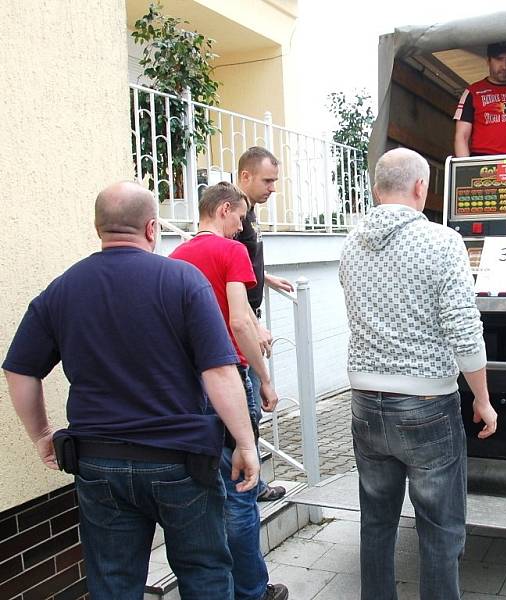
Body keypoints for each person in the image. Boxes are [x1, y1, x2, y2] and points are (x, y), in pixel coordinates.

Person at [2, 181, 260, 600]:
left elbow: (19, 371)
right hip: (181, 462)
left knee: (114, 583)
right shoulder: (184, 281)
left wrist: (41, 435)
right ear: (152, 227)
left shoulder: (63, 288)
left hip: (99, 463)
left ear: (98, 227)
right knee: (206, 574)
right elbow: (219, 372)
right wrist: (246, 443)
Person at [339, 147, 498, 600]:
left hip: (366, 403)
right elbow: (464, 331)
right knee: (441, 528)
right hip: (427, 405)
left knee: (376, 523)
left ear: (375, 189)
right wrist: (482, 400)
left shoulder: (350, 243)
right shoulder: (442, 242)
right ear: (420, 188)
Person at [170, 182, 288, 600]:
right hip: (230, 381)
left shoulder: (176, 257)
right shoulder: (231, 251)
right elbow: (239, 322)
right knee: (241, 491)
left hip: (190, 387)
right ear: (223, 210)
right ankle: (252, 590)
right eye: (240, 217)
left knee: (209, 493)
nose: (242, 227)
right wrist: (266, 378)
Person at [236, 146, 293, 503]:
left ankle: (251, 482)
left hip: (250, 314)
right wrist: (254, 324)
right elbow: (227, 271)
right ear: (245, 176)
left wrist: (264, 276)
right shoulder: (234, 211)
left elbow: (240, 262)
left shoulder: (249, 211)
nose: (273, 188)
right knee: (251, 406)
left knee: (253, 403)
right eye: (267, 180)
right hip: (243, 321)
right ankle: (251, 485)